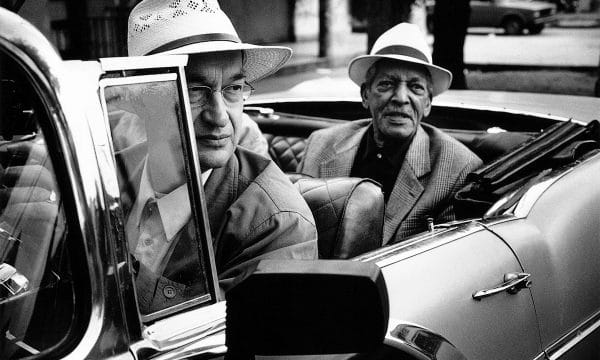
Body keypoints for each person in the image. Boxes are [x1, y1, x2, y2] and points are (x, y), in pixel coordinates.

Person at [118, 0, 317, 313]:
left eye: (233, 88)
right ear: (138, 96)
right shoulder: (102, 174)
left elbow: (222, 343)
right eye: (194, 90)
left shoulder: (277, 223)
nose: (220, 116)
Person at [298, 23, 482, 245]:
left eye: (416, 87)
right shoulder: (320, 144)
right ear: (365, 95)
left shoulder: (459, 167)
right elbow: (296, 229)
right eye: (386, 84)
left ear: (428, 104)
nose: (401, 98)